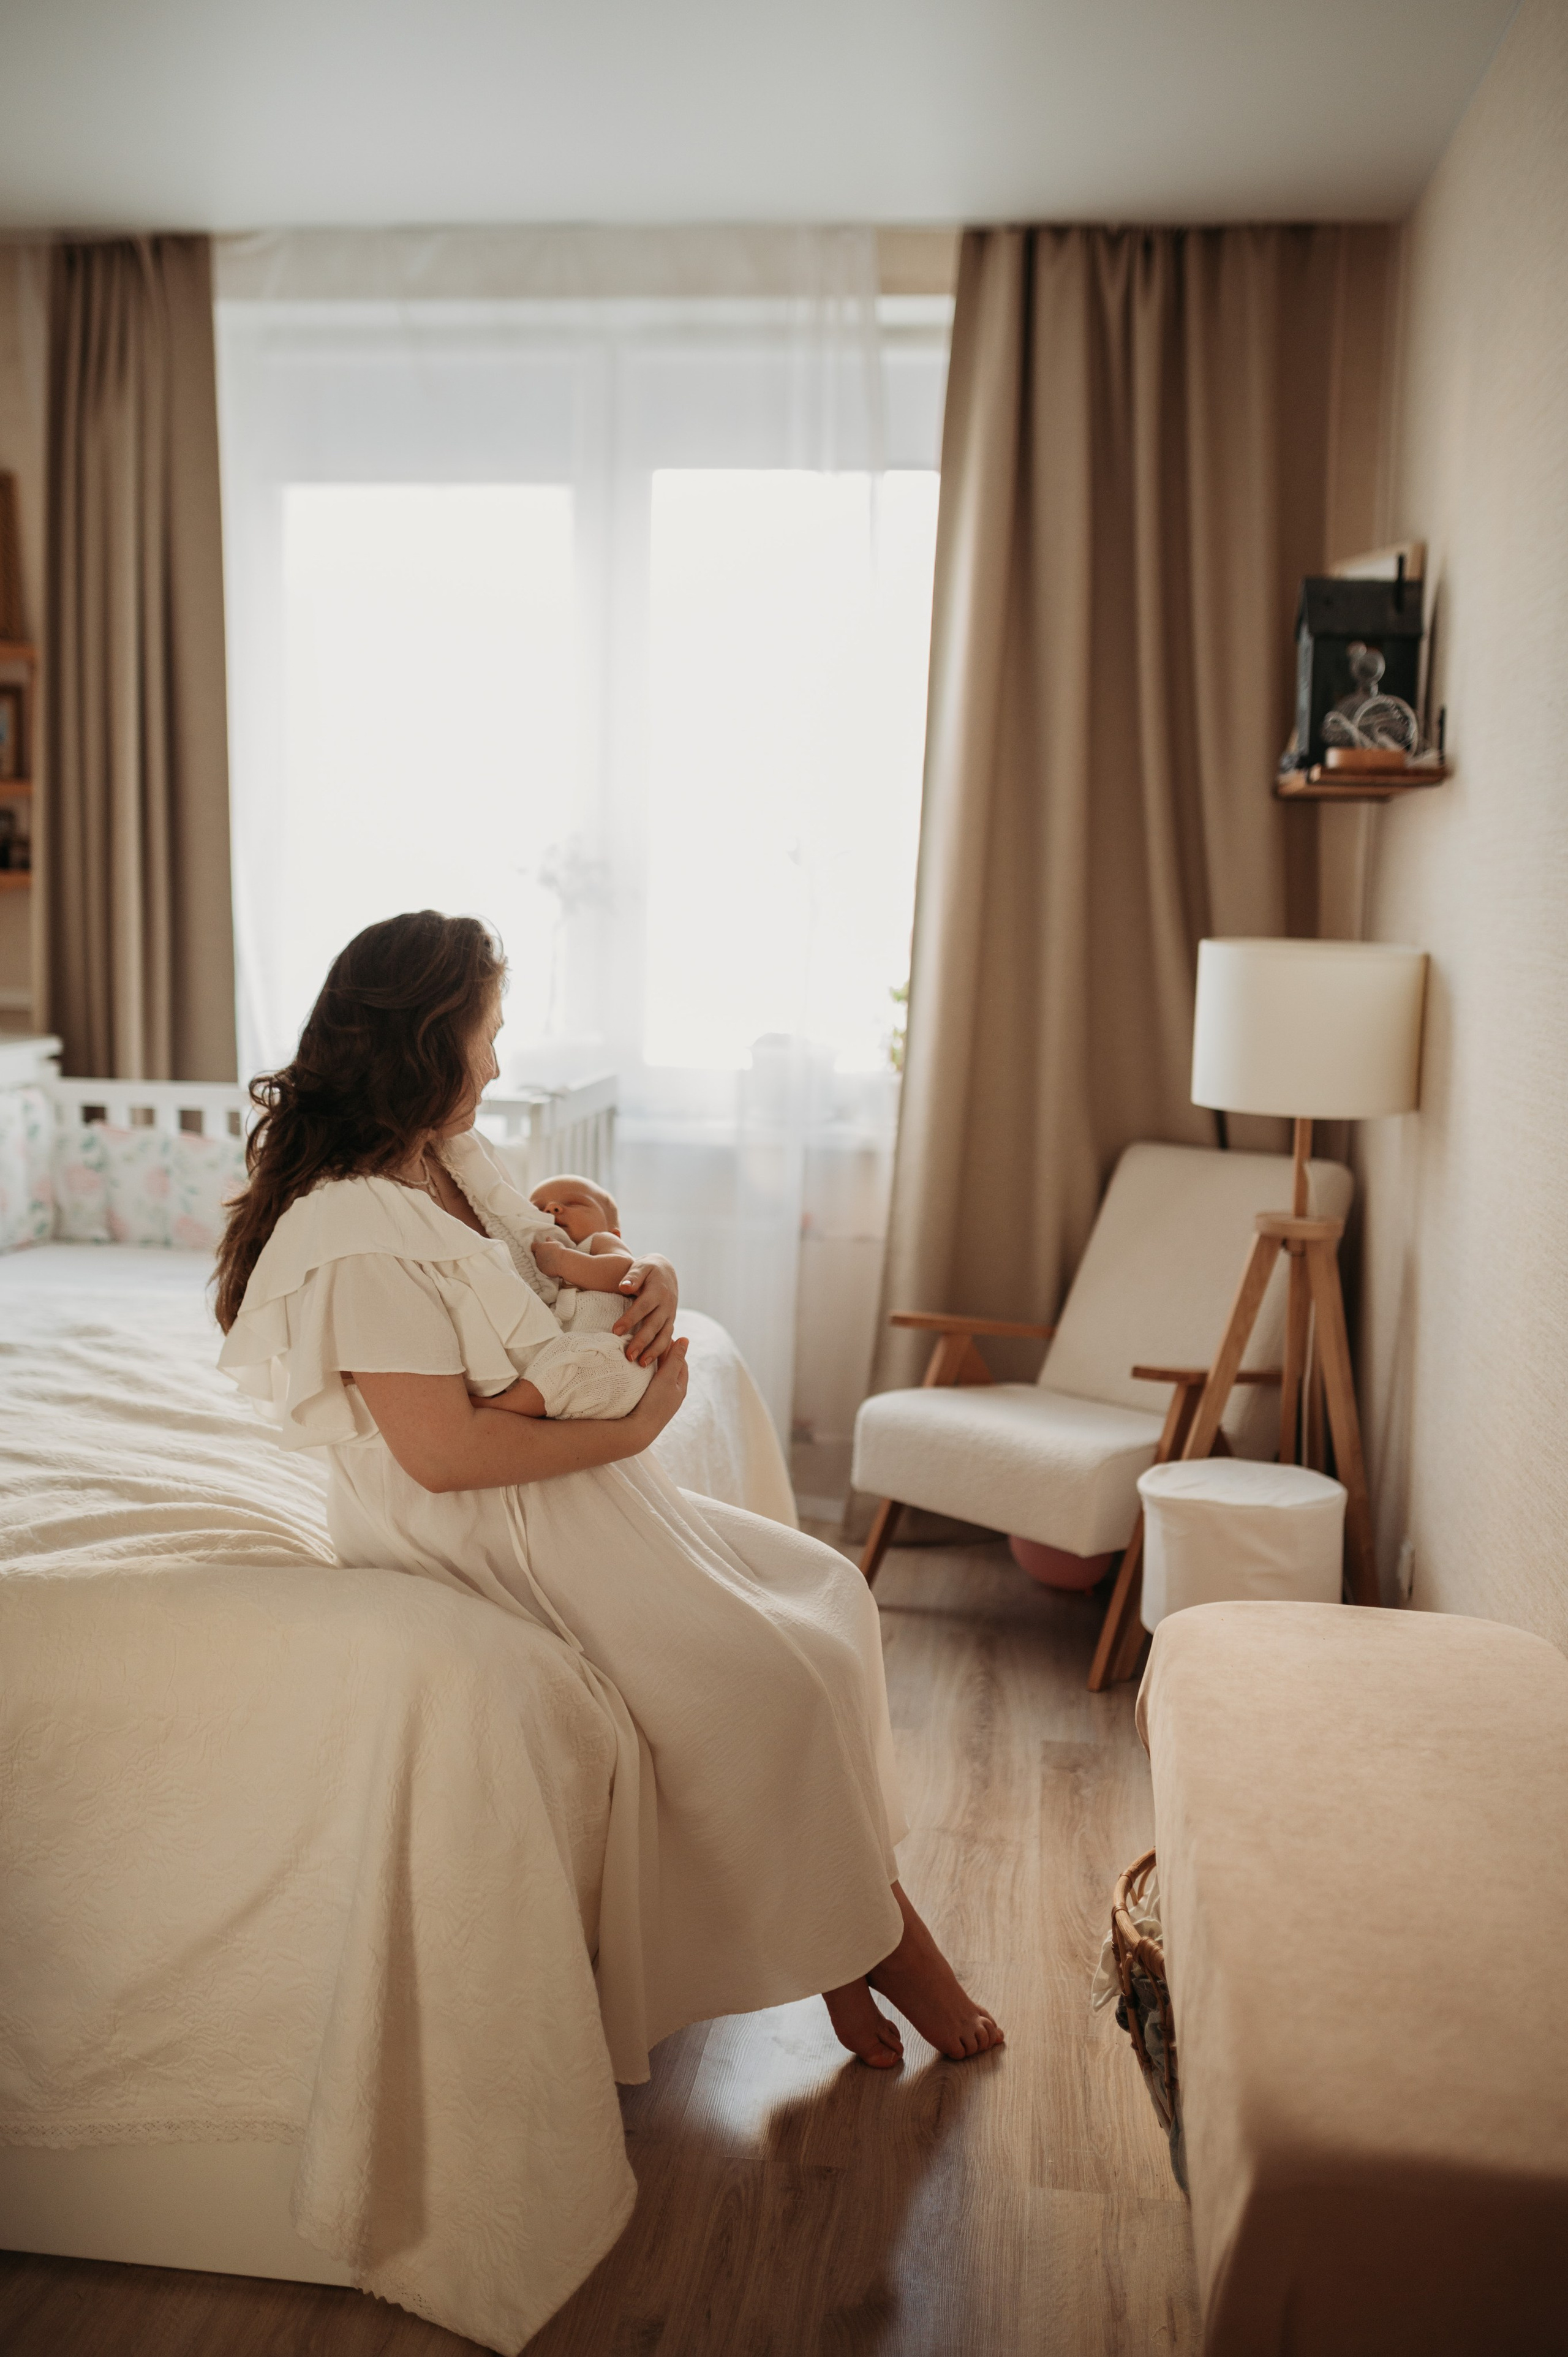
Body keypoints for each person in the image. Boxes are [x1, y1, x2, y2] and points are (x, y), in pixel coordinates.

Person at [215, 910, 1002, 2078]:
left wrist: (653, 1273)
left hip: (566, 1492)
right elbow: (443, 1456)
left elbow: (561, 1270)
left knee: (829, 1595)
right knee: (773, 1684)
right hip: (476, 1529)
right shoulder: (350, 1230)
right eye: (484, 1036)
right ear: (427, 1040)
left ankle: (848, 1932)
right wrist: (636, 1425)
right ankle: (886, 1952)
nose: (494, 1062)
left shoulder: (443, 1161)